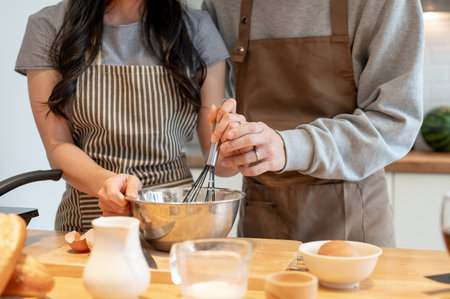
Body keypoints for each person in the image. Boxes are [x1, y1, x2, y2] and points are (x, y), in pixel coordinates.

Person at [204, 0, 424, 247]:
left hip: (353, 232)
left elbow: (394, 122)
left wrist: (289, 147)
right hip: (262, 225)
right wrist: (233, 137)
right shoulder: (221, 4)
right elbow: (217, 124)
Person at [15, 0, 235, 231]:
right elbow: (57, 145)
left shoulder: (197, 28)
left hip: (177, 224)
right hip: (89, 225)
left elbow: (219, 161)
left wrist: (235, 145)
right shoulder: (49, 26)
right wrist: (109, 185)